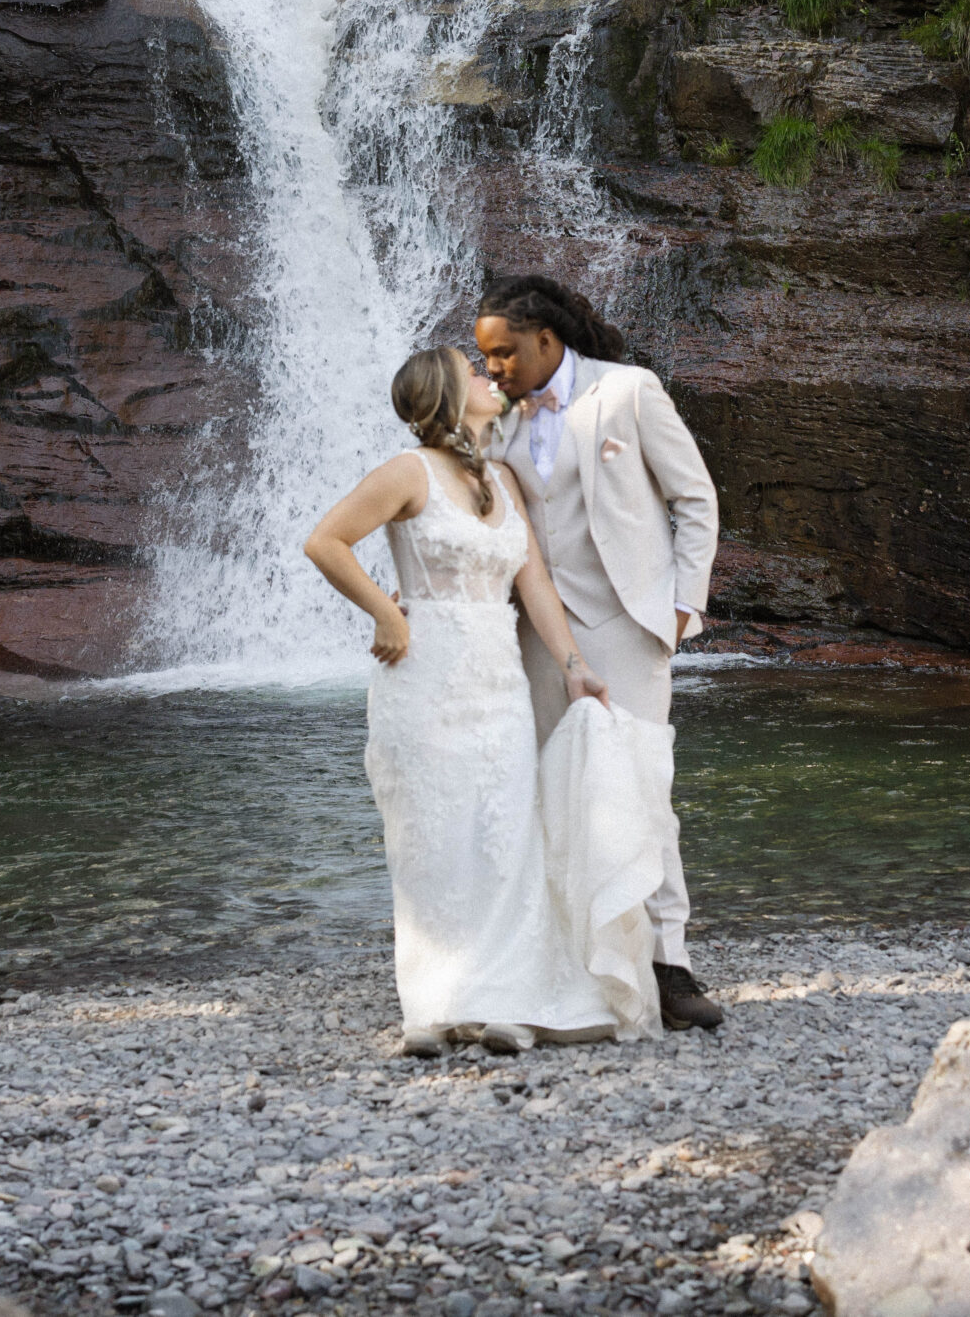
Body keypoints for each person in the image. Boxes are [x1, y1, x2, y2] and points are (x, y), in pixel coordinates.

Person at [303, 347, 657, 1056]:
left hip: (499, 685)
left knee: (506, 841)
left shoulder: (499, 481)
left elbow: (536, 590)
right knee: (431, 842)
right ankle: (434, 1007)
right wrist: (386, 613)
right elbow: (326, 540)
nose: (488, 378)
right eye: (473, 372)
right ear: (446, 392)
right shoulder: (409, 472)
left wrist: (574, 667)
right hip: (424, 678)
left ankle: (505, 1001)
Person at [475, 274, 727, 1032]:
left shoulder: (629, 391)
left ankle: (668, 960)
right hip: (538, 634)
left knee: (642, 788)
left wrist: (683, 606)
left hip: (628, 621)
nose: (493, 369)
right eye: (485, 357)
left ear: (547, 340)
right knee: (556, 785)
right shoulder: (496, 424)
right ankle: (575, 959)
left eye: (505, 353)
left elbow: (694, 497)